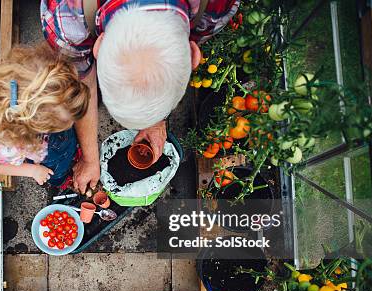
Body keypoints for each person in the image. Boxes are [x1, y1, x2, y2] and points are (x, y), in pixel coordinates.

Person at [41, 0, 240, 193]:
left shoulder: (217, 6)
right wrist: (90, 159)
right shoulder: (66, 17)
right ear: (194, 55)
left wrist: (156, 121)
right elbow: (82, 85)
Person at [0, 44, 90, 186]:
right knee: (58, 177)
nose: (75, 122)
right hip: (51, 166)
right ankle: (62, 178)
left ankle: (73, 154)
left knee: (71, 145)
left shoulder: (54, 95)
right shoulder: (11, 146)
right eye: (67, 121)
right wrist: (32, 171)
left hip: (67, 145)